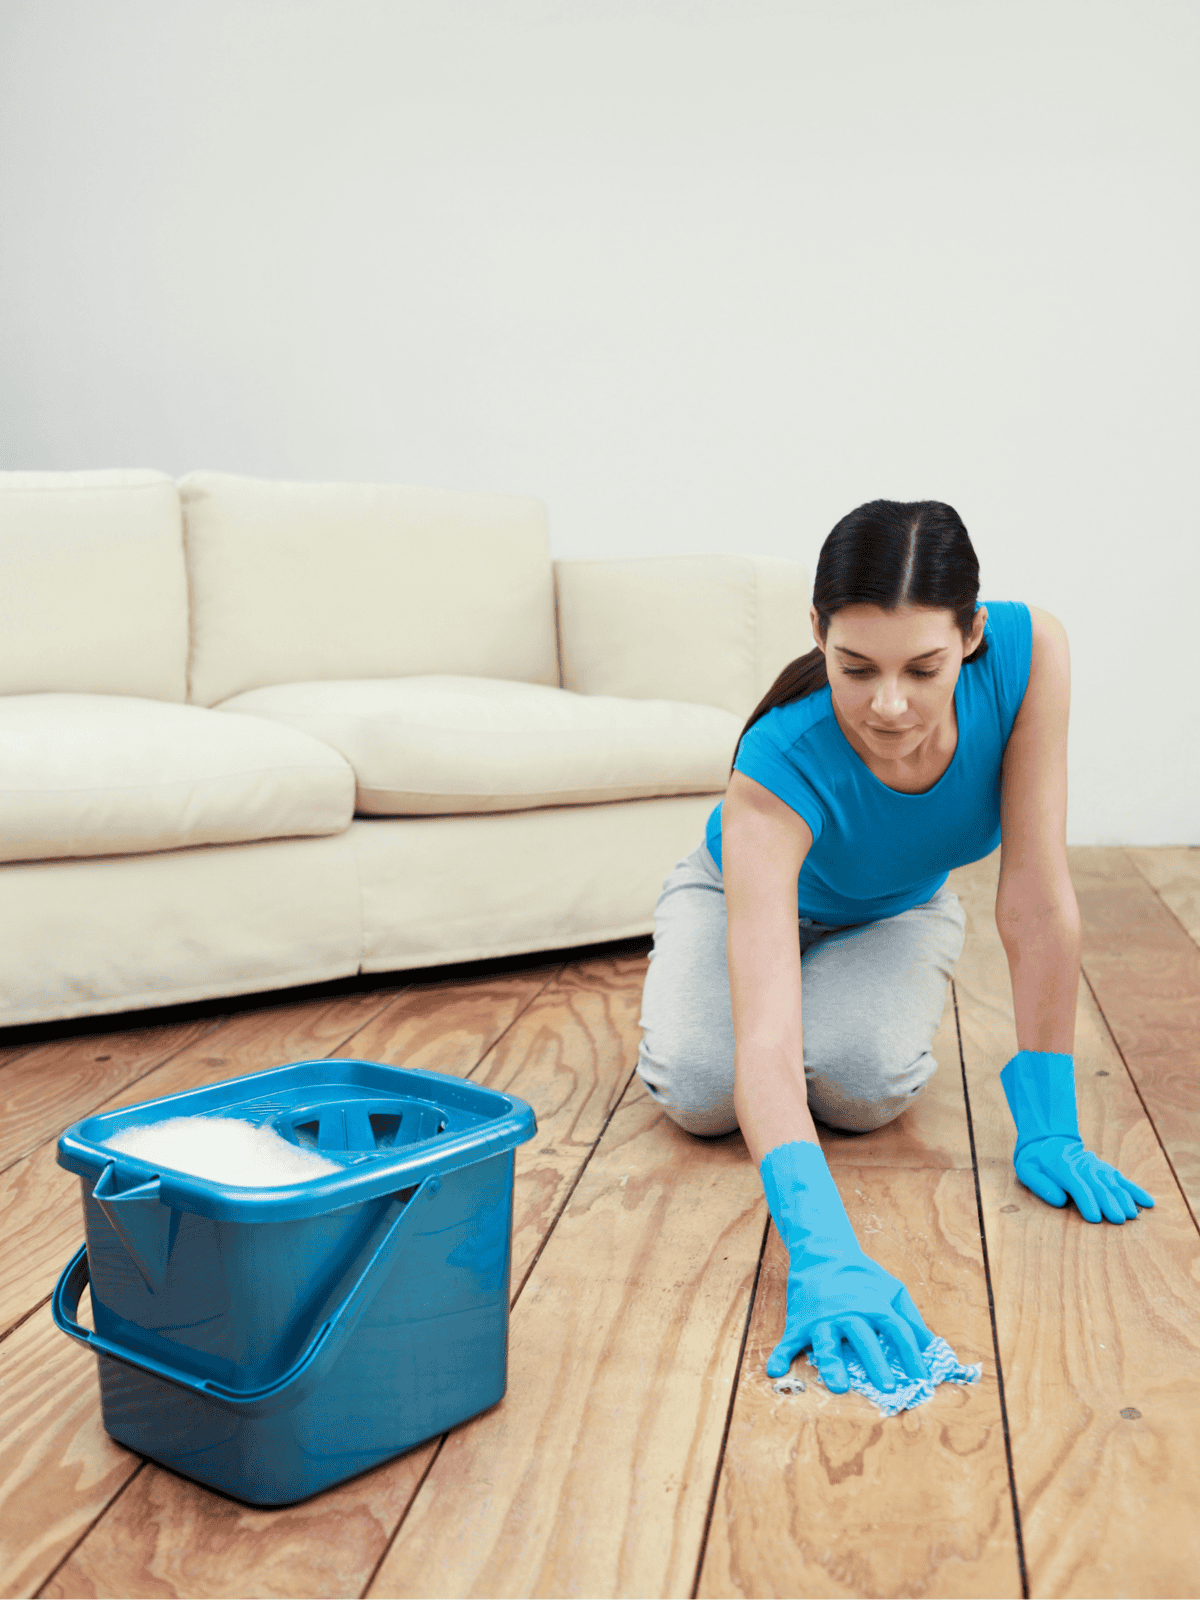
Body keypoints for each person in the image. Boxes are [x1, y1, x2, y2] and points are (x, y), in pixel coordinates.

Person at [636, 499, 1153, 1396]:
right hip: (739, 901)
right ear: (817, 635)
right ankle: (680, 978)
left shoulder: (1032, 661)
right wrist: (823, 1251)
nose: (888, 704)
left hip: (894, 911)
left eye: (924, 668)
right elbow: (767, 1040)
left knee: (868, 1084)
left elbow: (1035, 896)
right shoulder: (774, 763)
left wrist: (1050, 1120)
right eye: (855, 667)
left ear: (973, 637)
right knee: (702, 1088)